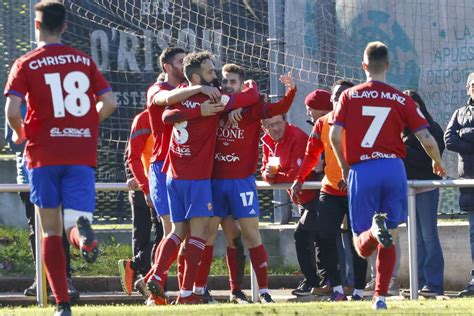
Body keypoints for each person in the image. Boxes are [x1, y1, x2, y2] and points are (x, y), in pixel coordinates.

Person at [4, 2, 117, 315]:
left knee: (50, 230)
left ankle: (63, 305)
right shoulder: (83, 61)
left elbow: (12, 112)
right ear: (65, 26)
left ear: (36, 26)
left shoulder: (25, 63)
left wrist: (22, 133)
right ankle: (84, 237)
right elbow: (108, 103)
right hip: (79, 152)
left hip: (43, 154)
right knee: (75, 221)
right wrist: (84, 124)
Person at [329, 41, 446, 310]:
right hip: (394, 169)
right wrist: (437, 163)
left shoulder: (349, 96)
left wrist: (346, 167)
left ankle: (372, 230)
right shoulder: (401, 98)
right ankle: (380, 297)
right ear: (388, 66)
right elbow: (427, 138)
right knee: (390, 236)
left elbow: (335, 135)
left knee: (362, 246)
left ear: (364, 66)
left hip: (363, 170)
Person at [146, 51, 259, 304]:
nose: (216, 75)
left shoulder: (179, 94)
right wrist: (206, 109)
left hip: (173, 176)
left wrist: (197, 110)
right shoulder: (214, 97)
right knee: (198, 234)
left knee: (177, 231)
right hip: (196, 178)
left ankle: (158, 275)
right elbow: (250, 97)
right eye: (210, 71)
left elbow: (167, 116)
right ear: (197, 76)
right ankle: (188, 294)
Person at [197, 64, 297, 303]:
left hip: (241, 183)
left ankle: (262, 291)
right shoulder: (215, 106)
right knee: (209, 235)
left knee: (251, 234)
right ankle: (200, 290)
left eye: (233, 82)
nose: (228, 85)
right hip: (214, 183)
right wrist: (235, 103)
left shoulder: (251, 109)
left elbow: (279, 107)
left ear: (241, 84)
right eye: (225, 81)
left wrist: (291, 90)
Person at [291, 82, 368, 301]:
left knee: (358, 240)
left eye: (344, 95)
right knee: (324, 236)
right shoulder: (322, 123)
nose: (339, 99)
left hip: (356, 190)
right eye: (335, 95)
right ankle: (335, 289)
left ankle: (359, 291)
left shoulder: (362, 121)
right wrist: (299, 179)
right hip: (330, 190)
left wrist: (353, 177)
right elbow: (311, 155)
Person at [5, 107, 79, 299]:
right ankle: (41, 278)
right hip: (29, 178)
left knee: (58, 227)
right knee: (35, 229)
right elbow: (13, 143)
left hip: (55, 174)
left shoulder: (55, 103)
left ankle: (64, 279)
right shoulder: (17, 107)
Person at [260, 113, 324, 297]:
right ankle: (319, 281)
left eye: (279, 123)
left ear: (285, 121)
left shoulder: (297, 137)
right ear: (265, 127)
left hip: (316, 195)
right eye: (271, 125)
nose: (276, 128)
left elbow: (297, 174)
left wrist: (275, 177)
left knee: (304, 235)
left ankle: (316, 281)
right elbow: (265, 169)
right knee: (315, 238)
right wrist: (270, 175)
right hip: (301, 197)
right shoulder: (268, 140)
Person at [402, 90, 446, 297]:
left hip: (426, 188)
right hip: (407, 190)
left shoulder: (432, 129)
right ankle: (416, 282)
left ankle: (434, 284)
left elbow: (427, 161)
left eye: (414, 106)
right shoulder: (399, 131)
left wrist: (402, 149)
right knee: (415, 238)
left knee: (429, 237)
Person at [118, 107, 164, 297]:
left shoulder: (174, 115)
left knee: (164, 235)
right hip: (143, 185)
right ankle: (143, 278)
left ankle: (137, 268)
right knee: (146, 233)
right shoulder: (144, 118)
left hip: (158, 185)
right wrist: (133, 178)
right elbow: (131, 153)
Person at [444, 72, 474, 297]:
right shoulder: (460, 113)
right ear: (467, 88)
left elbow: (459, 138)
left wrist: (466, 135)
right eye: (473, 85)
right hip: (469, 185)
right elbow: (449, 140)